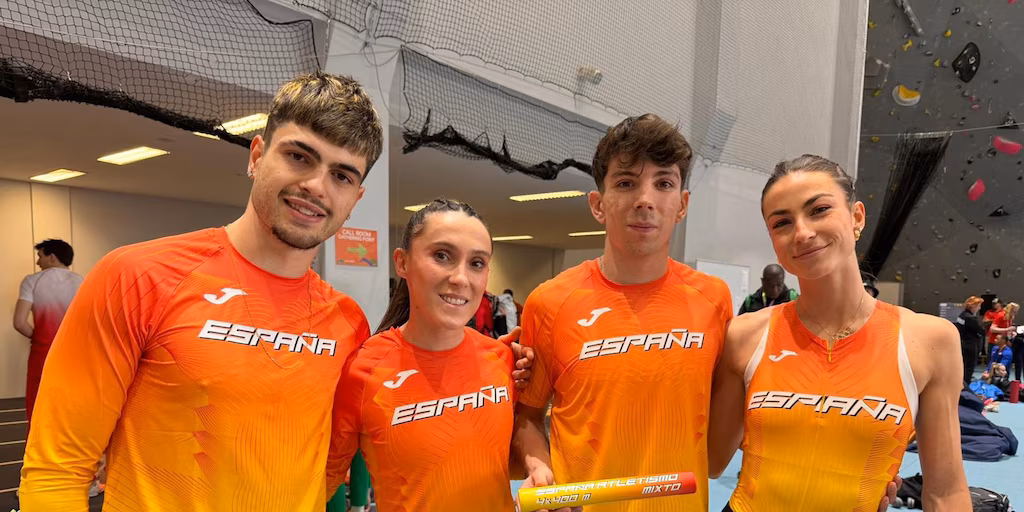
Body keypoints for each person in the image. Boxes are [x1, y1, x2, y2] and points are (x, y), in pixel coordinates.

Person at [709, 154, 970, 511]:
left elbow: (946, 492)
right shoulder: (745, 335)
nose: (802, 233)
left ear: (856, 217)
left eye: (819, 210)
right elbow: (711, 461)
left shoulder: (930, 341)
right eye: (782, 223)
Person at [326, 198, 521, 511]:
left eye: (477, 263)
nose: (460, 278)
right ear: (402, 263)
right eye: (442, 256)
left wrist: (540, 467)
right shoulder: (364, 370)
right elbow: (322, 481)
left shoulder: (503, 358)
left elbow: (511, 459)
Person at [13, 239, 84, 429]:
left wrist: (39, 337)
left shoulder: (32, 281)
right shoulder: (82, 282)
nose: (38, 262)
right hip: (74, 353)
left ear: (52, 257)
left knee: (39, 406)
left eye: (40, 256)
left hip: (43, 351)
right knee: (71, 404)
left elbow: (19, 323)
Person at [956, 296, 986, 386]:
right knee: (969, 368)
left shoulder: (961, 315)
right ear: (973, 306)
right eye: (979, 306)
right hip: (971, 346)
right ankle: (966, 387)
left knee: (964, 368)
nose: (979, 308)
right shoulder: (971, 318)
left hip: (963, 343)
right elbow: (981, 331)